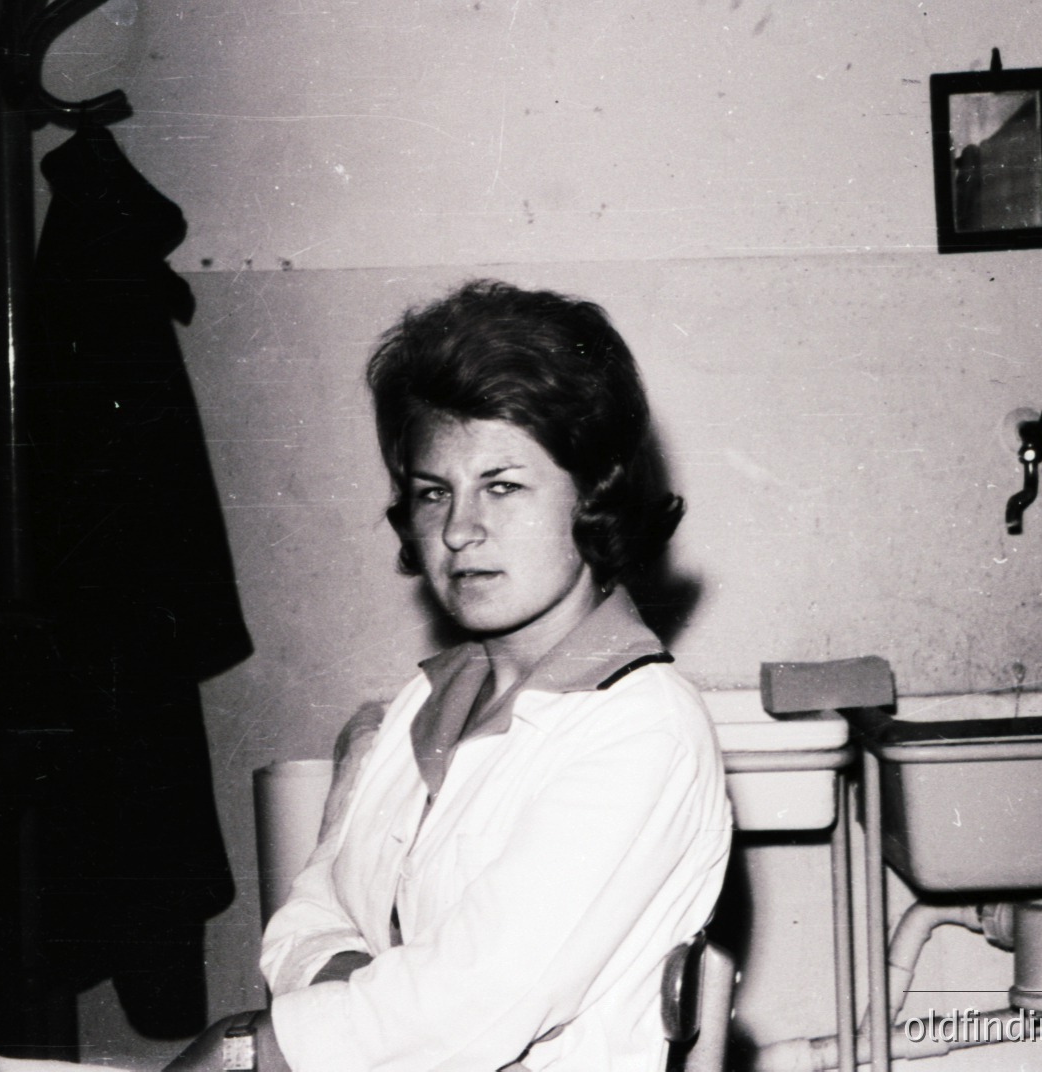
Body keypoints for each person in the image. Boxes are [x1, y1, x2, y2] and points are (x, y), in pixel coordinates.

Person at [168, 280, 732, 1072]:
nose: (460, 530)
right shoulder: (421, 706)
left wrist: (255, 1046)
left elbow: (475, 1001)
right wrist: (366, 1006)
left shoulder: (642, 728)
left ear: (594, 496)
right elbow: (310, 915)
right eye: (434, 493)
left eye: (502, 486)